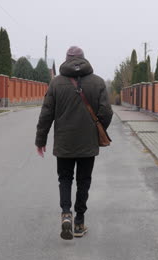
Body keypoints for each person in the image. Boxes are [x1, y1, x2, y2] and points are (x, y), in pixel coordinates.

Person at [35, 46, 113, 240]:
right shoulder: (98, 82)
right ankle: (79, 222)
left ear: (66, 60)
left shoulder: (56, 83)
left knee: (65, 179)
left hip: (64, 143)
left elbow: (46, 114)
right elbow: (107, 112)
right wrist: (97, 129)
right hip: (88, 143)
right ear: (84, 59)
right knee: (84, 181)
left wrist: (40, 140)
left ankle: (66, 214)